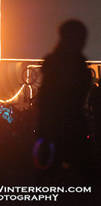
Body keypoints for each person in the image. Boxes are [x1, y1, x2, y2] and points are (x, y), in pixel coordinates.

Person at [37, 19, 92, 177]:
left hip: (60, 125)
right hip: (64, 125)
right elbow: (50, 98)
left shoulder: (57, 64)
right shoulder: (70, 66)